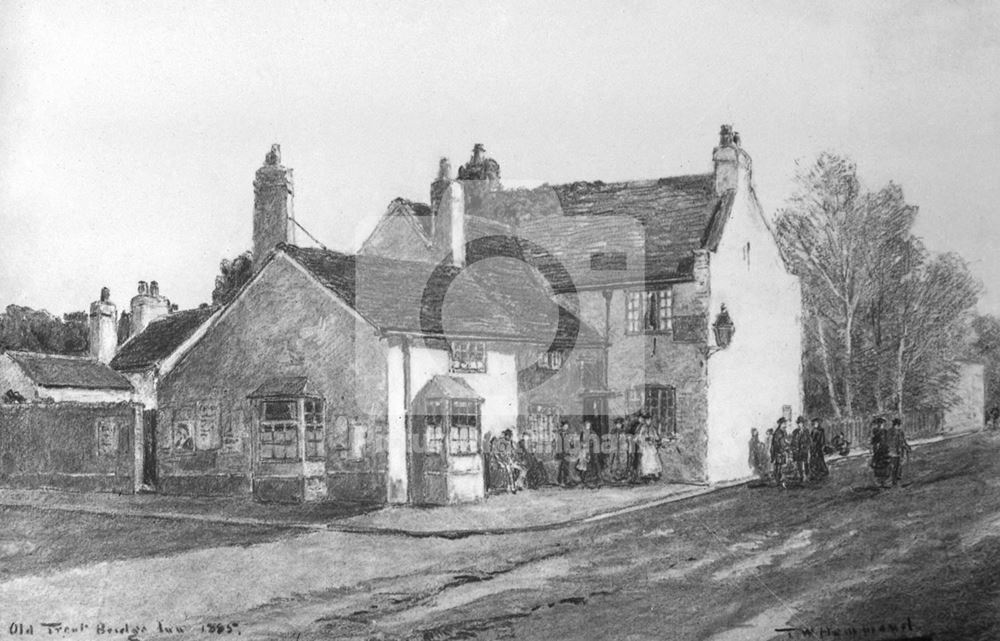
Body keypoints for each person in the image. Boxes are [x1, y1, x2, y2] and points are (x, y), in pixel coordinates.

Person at [495, 429, 526, 493]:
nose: (510, 437)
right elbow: (501, 455)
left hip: (511, 461)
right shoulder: (501, 443)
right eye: (510, 436)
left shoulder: (511, 443)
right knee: (510, 472)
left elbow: (513, 453)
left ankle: (518, 483)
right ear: (506, 436)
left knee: (523, 469)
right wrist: (503, 462)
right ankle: (513, 488)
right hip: (504, 462)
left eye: (511, 436)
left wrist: (516, 460)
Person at [636, 413, 663, 482]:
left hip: (651, 445)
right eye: (647, 420)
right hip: (646, 446)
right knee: (646, 458)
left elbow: (655, 435)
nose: (649, 421)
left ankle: (653, 473)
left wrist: (656, 439)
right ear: (645, 420)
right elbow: (640, 437)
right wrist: (645, 439)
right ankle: (647, 474)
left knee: (653, 457)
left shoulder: (652, 428)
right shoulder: (643, 428)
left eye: (650, 420)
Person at [886, 417, 911, 486]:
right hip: (893, 451)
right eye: (898, 424)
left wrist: (907, 446)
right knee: (895, 466)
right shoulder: (890, 431)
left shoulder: (900, 431)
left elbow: (903, 440)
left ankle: (897, 480)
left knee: (899, 465)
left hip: (899, 450)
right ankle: (894, 481)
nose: (898, 426)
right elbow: (889, 442)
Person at [604, 417, 630, 482]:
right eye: (617, 424)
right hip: (614, 448)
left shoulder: (623, 431)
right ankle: (614, 476)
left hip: (622, 449)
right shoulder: (613, 431)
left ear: (621, 424)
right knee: (614, 461)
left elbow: (626, 440)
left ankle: (622, 476)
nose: (619, 425)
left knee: (623, 461)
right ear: (615, 424)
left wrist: (625, 445)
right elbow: (610, 439)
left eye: (620, 424)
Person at [869, 417, 891, 488]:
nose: (880, 424)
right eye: (879, 423)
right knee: (878, 465)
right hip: (877, 450)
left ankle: (884, 482)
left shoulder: (885, 431)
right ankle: (879, 482)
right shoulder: (875, 431)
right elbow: (873, 441)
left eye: (881, 423)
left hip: (884, 449)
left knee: (885, 464)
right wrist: (872, 448)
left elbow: (888, 440)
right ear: (877, 424)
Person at [790, 416, 811, 483]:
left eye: (801, 423)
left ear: (803, 424)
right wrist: (793, 448)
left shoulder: (806, 431)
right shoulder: (795, 432)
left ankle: (807, 476)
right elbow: (793, 441)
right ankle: (801, 476)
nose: (800, 425)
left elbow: (809, 441)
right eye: (799, 423)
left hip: (804, 450)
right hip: (797, 450)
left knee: (806, 463)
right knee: (799, 464)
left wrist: (806, 447)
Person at [555, 420, 574, 487]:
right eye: (564, 426)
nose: (566, 428)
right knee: (560, 467)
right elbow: (554, 443)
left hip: (567, 452)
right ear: (562, 426)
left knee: (566, 467)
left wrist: (571, 450)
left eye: (567, 426)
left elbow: (572, 444)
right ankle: (560, 481)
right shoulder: (557, 434)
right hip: (560, 452)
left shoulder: (569, 434)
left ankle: (566, 481)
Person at [770, 417, 789, 487]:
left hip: (782, 452)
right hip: (778, 453)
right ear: (780, 424)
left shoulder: (783, 432)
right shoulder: (777, 433)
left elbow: (784, 441)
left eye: (785, 424)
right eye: (784, 424)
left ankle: (780, 481)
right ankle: (779, 481)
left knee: (781, 468)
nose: (785, 425)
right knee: (779, 467)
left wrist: (787, 445)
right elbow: (776, 445)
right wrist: (783, 449)